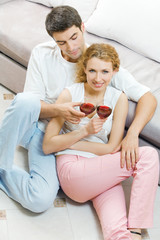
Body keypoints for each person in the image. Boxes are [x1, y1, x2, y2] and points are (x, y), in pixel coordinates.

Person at [0, 6, 157, 213]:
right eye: (62, 42)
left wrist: (133, 134)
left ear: (83, 27)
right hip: (38, 131)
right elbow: (32, 106)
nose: (71, 47)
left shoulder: (100, 64)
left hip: (63, 142)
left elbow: (148, 98)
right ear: (54, 41)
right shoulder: (42, 54)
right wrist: (59, 110)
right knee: (24, 101)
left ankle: (3, 173)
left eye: (74, 37)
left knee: (39, 200)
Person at [43, 43, 159, 240]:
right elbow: (48, 145)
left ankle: (131, 235)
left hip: (103, 174)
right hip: (74, 172)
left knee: (117, 232)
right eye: (92, 71)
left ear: (114, 71)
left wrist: (64, 143)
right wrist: (83, 133)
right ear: (85, 69)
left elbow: (112, 146)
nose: (98, 78)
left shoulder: (118, 98)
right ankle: (137, 227)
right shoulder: (70, 94)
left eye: (105, 71)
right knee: (147, 155)